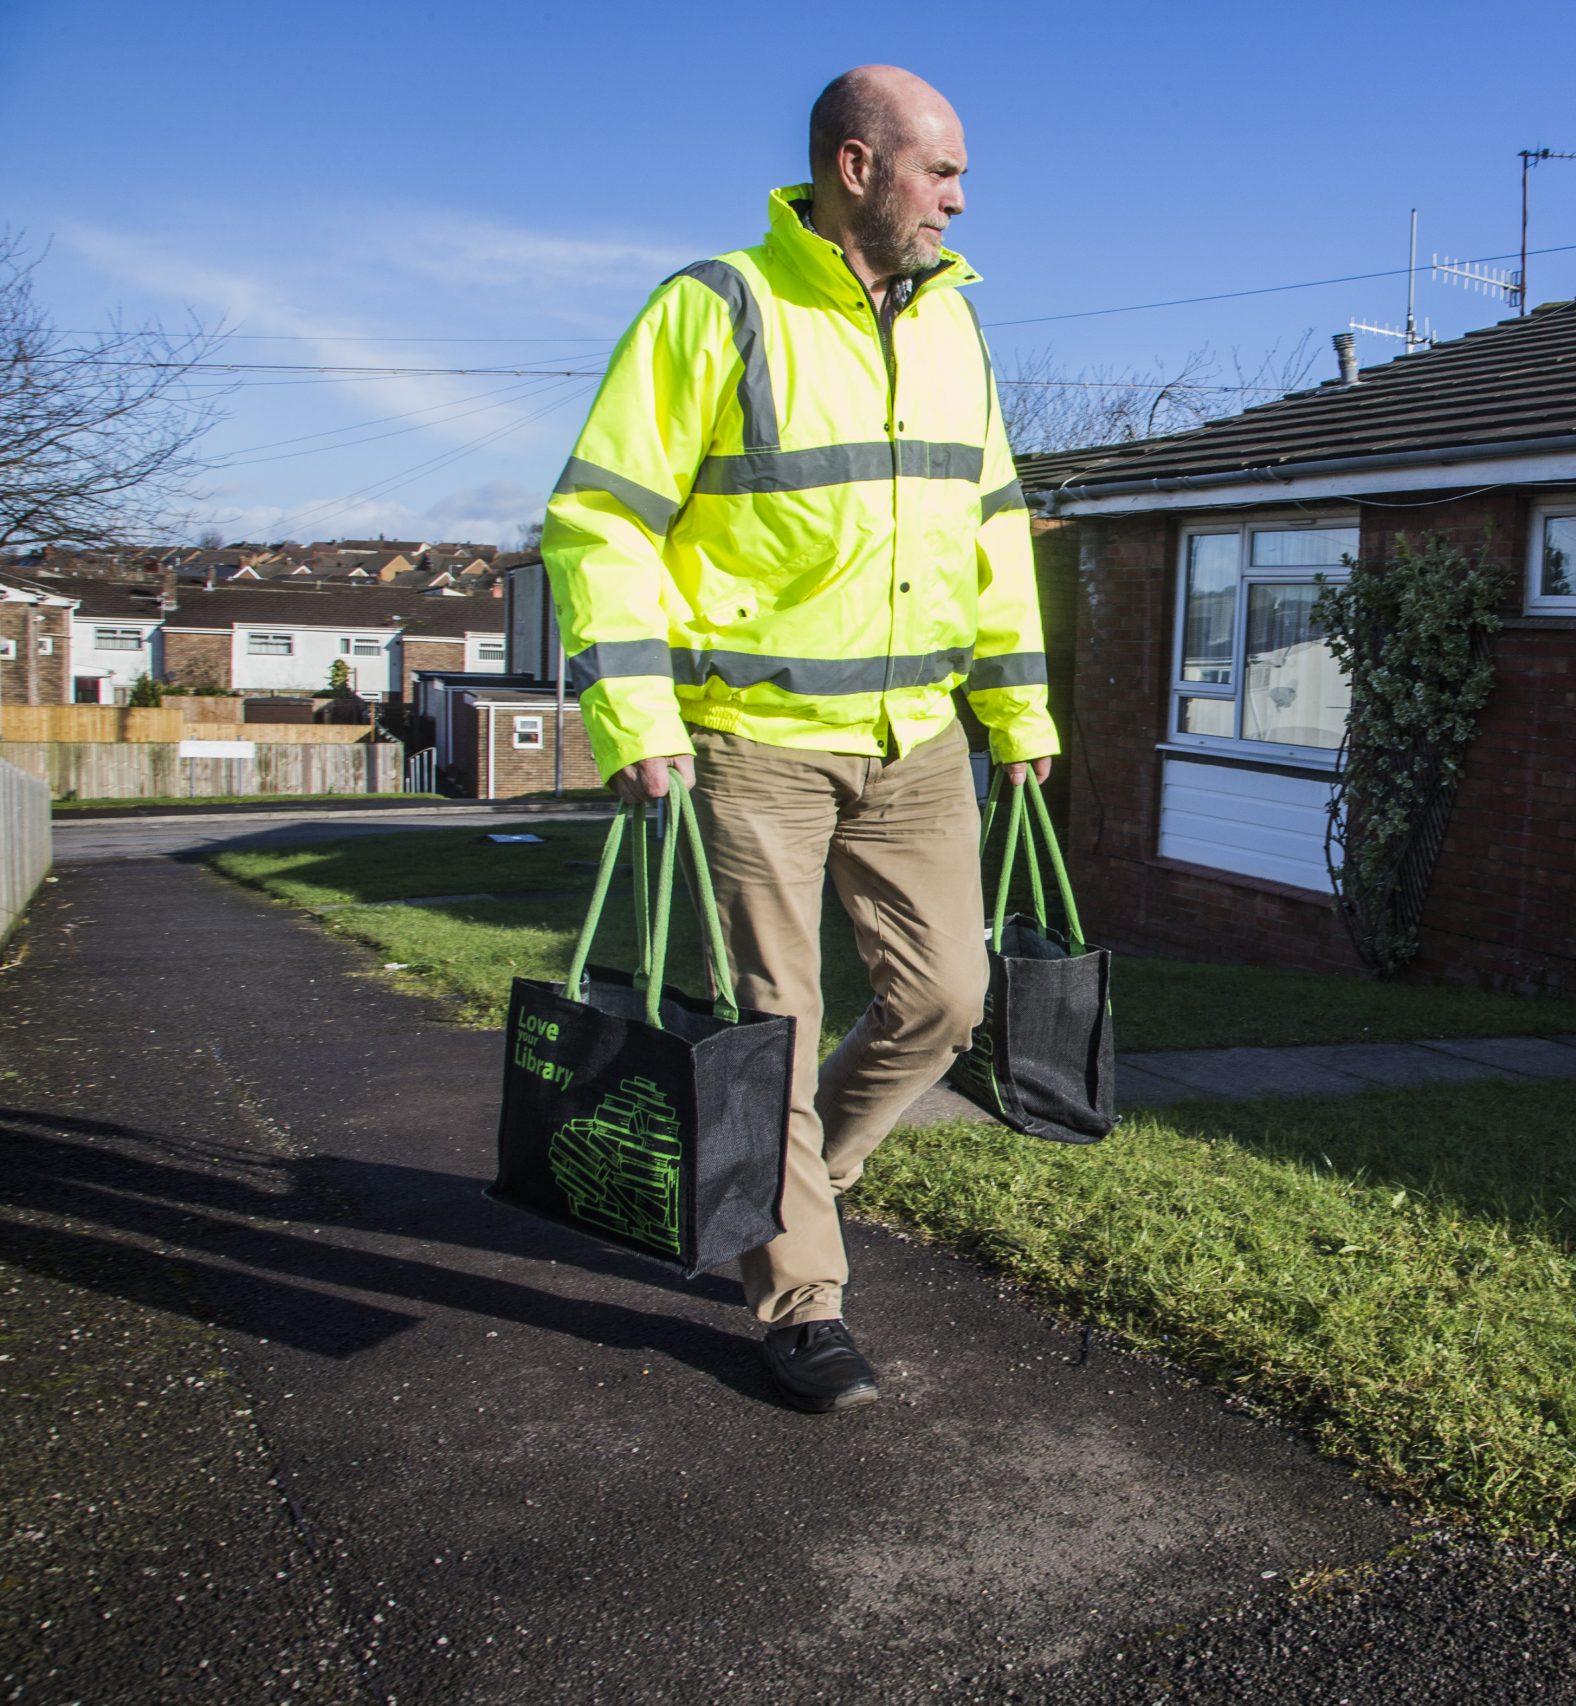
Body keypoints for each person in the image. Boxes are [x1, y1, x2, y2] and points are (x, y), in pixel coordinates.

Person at [540, 65, 1057, 1413]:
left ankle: (795, 1179)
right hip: (752, 738)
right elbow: (602, 522)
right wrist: (637, 716)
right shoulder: (719, 308)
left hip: (917, 739)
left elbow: (994, 528)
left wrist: (1019, 710)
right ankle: (801, 1296)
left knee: (949, 996)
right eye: (938, 170)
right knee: (774, 1019)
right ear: (854, 165)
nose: (958, 196)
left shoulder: (956, 327)